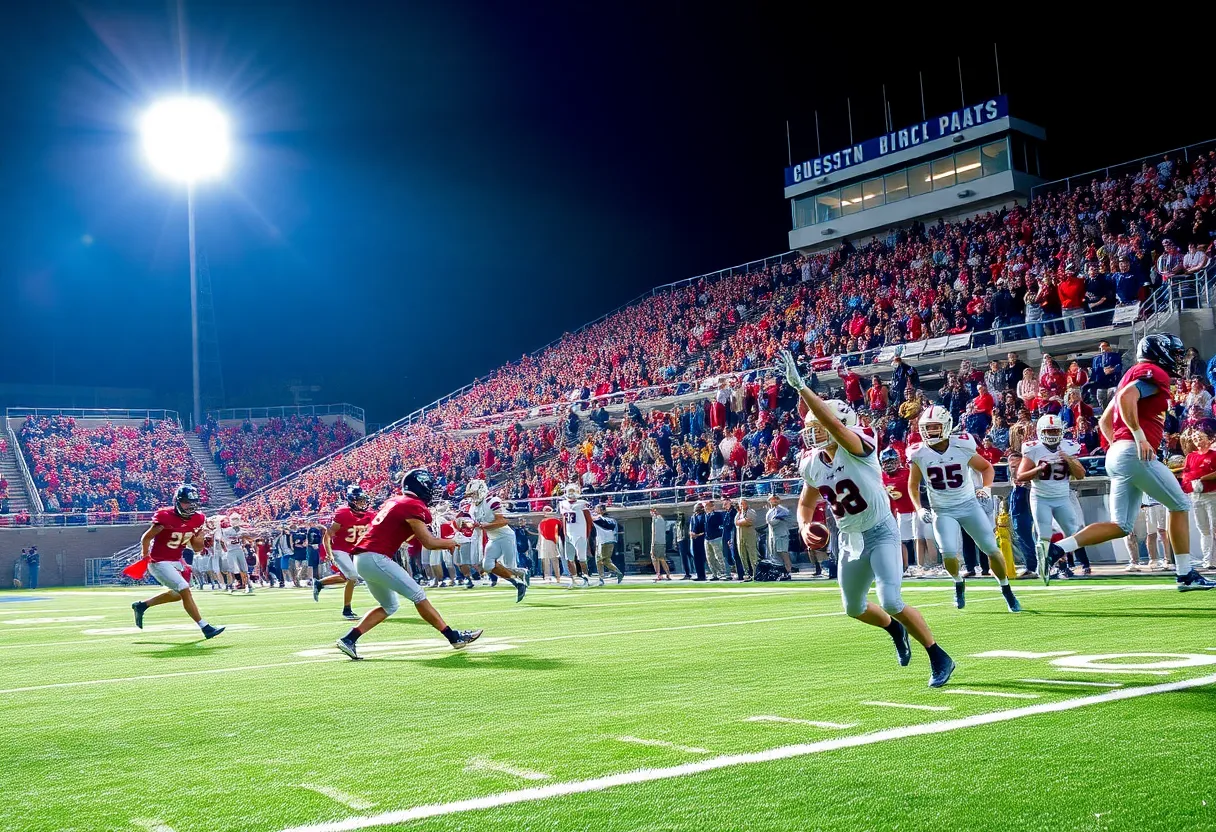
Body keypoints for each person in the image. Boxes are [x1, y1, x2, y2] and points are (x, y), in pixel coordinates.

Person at [776, 350, 954, 688]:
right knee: (853, 608)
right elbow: (805, 503)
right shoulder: (812, 462)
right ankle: (893, 628)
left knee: (891, 599)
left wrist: (802, 389)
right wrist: (803, 524)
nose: (813, 431)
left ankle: (938, 655)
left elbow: (838, 430)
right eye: (810, 426)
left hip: (881, 531)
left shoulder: (859, 444)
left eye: (820, 423)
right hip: (850, 538)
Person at [1046, 335, 1214, 591]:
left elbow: (1104, 420)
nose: (1179, 360)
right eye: (1176, 354)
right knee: (1179, 504)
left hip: (1118, 454)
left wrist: (1121, 446)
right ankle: (1185, 573)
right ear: (1158, 352)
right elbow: (1126, 397)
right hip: (1133, 452)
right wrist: (1137, 438)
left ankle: (1057, 548)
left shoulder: (1132, 374)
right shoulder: (1153, 372)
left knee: (1121, 526)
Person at [334, 468, 482, 660]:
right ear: (421, 487)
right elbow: (429, 542)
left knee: (389, 605)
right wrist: (451, 542)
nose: (432, 491)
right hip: (375, 557)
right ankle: (453, 637)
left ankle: (349, 639)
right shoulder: (413, 505)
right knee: (418, 595)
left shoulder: (395, 501)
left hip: (362, 559)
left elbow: (407, 532)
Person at [907, 405, 1021, 612]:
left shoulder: (962, 445)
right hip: (942, 510)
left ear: (946, 426)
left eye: (935, 427)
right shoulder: (919, 453)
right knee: (949, 554)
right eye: (927, 427)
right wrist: (919, 508)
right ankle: (958, 582)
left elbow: (987, 467)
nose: (930, 432)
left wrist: (986, 489)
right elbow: (912, 485)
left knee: (992, 550)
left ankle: (1006, 588)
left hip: (969, 505)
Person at [130, 485, 224, 639]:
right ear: (177, 502)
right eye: (186, 502)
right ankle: (205, 627)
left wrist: (201, 538)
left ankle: (142, 605)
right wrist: (144, 555)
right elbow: (146, 537)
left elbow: (196, 548)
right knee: (184, 588)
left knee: (179, 594)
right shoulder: (165, 516)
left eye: (193, 502)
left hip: (176, 560)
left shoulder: (198, 518)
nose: (190, 505)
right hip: (159, 561)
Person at [1016, 414, 1089, 582]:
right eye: (1049, 431)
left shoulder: (1068, 447)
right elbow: (1021, 475)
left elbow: (1080, 475)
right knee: (1044, 534)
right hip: (1041, 497)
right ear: (1041, 432)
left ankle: (1061, 561)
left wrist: (1068, 460)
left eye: (1055, 430)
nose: (1052, 434)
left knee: (1074, 532)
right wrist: (1038, 470)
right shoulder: (1033, 448)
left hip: (1063, 498)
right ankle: (1045, 568)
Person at [465, 479, 529, 600]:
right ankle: (518, 583)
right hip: (493, 538)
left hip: (505, 536)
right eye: (471, 494)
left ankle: (521, 574)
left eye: (473, 493)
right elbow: (475, 525)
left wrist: (484, 526)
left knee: (509, 566)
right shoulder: (472, 508)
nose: (472, 497)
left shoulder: (491, 501)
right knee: (487, 565)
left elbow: (503, 521)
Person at [316, 485, 373, 619]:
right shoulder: (343, 513)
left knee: (346, 577)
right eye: (359, 500)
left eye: (363, 500)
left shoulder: (370, 515)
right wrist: (329, 554)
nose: (362, 503)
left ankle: (319, 583)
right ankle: (347, 610)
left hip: (355, 550)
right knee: (352, 576)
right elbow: (328, 536)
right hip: (340, 549)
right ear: (351, 501)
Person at [1181, 422, 1216, 570]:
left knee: (1214, 528)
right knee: (1204, 529)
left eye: (1200, 437)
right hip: (1196, 496)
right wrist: (1189, 485)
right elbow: (1185, 475)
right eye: (1195, 438)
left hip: (1212, 495)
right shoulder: (1190, 456)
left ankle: (1212, 559)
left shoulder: (1214, 455)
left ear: (1209, 440)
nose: (1197, 440)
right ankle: (1207, 560)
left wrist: (1202, 478)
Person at [880, 448, 917, 575]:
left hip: (914, 510)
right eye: (886, 462)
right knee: (901, 540)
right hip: (897, 512)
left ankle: (925, 566)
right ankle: (904, 566)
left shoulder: (907, 472)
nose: (889, 464)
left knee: (921, 539)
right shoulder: (881, 476)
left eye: (892, 461)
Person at [1004, 450, 1038, 579]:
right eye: (1011, 465)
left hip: (1025, 494)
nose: (1013, 467)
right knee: (1020, 533)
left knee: (1027, 532)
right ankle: (1031, 565)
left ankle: (1034, 565)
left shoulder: (1027, 475)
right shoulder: (1013, 476)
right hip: (1017, 493)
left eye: (1016, 465)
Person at [558, 483, 594, 588]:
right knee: (569, 558)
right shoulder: (563, 503)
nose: (571, 493)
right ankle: (573, 579)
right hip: (569, 534)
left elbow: (589, 521)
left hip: (580, 534)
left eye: (572, 491)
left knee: (582, 558)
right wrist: (564, 533)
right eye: (569, 491)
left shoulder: (582, 503)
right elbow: (564, 519)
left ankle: (586, 578)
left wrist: (587, 535)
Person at [590, 504, 625, 585]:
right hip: (605, 541)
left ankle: (618, 573)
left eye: (597, 509)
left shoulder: (599, 518)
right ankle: (601, 579)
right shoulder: (612, 519)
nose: (595, 510)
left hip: (604, 541)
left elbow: (593, 519)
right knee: (599, 560)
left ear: (602, 510)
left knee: (605, 560)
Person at [763, 493, 794, 581]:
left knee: (784, 554)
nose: (775, 500)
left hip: (782, 535)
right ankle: (780, 573)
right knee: (775, 555)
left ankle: (788, 572)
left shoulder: (783, 510)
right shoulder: (770, 511)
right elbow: (768, 522)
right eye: (773, 499)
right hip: (773, 536)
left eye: (776, 499)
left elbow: (773, 522)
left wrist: (771, 520)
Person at [1089, 340, 1123, 410]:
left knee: (1114, 403)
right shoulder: (1096, 358)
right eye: (1101, 347)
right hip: (1101, 384)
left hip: (1113, 383)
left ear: (1109, 347)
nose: (1103, 348)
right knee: (1103, 405)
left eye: (1105, 346)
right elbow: (1095, 371)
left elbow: (1120, 366)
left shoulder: (1115, 356)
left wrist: (1113, 369)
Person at [537, 506, 566, 583]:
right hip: (544, 542)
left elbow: (560, 531)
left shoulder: (556, 521)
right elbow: (540, 534)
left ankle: (558, 577)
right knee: (545, 560)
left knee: (554, 559)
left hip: (553, 541)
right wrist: (539, 545)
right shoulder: (542, 522)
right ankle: (547, 577)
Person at [734, 498, 760, 581]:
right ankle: (747, 573)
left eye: (743, 503)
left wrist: (741, 522)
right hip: (740, 537)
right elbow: (736, 522)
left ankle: (756, 573)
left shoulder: (751, 511)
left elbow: (749, 521)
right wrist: (742, 521)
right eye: (740, 504)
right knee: (742, 555)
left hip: (749, 536)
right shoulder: (738, 513)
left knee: (752, 555)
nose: (742, 505)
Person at [704, 499, 729, 580]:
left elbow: (721, 526)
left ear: (712, 507)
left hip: (716, 538)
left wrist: (719, 533)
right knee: (709, 557)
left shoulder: (717, 515)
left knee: (719, 556)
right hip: (707, 539)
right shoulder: (705, 515)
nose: (705, 508)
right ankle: (714, 573)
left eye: (707, 506)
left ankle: (724, 573)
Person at [649, 507, 672, 581]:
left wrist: (652, 544)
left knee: (655, 558)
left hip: (656, 542)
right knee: (662, 559)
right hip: (662, 542)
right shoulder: (662, 519)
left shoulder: (654, 520)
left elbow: (654, 533)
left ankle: (658, 575)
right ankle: (668, 574)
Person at [689, 502, 709, 581]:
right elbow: (691, 527)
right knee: (696, 558)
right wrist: (691, 533)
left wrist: (698, 535)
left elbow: (706, 529)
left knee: (702, 557)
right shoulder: (693, 517)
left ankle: (703, 575)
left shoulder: (704, 516)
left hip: (702, 538)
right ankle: (699, 575)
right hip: (694, 539)